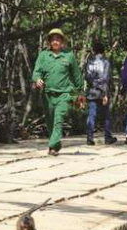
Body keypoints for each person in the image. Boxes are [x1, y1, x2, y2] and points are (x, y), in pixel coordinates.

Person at [32, 28, 84, 156]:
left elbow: (77, 76)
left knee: (58, 119)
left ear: (62, 41)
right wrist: (37, 79)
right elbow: (36, 71)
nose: (55, 41)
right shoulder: (43, 55)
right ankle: (56, 144)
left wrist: (80, 94)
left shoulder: (69, 55)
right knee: (50, 122)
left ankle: (52, 146)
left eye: (58, 39)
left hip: (65, 94)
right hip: (48, 94)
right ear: (49, 42)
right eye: (53, 39)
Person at [84, 41, 116, 146]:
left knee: (91, 115)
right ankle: (107, 137)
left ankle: (89, 137)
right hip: (102, 92)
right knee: (106, 115)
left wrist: (93, 85)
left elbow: (87, 77)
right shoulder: (105, 62)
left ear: (94, 50)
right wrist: (105, 93)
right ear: (103, 51)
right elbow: (105, 78)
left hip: (92, 92)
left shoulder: (89, 62)